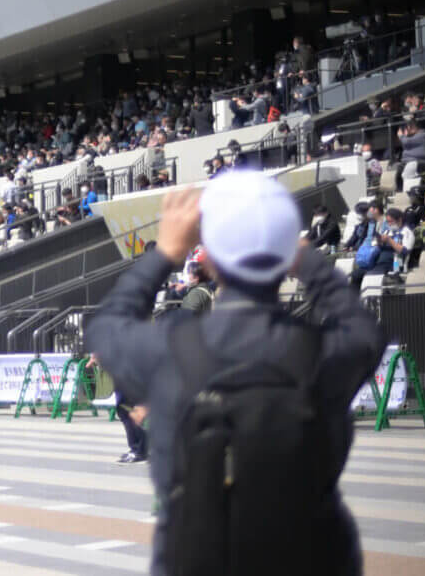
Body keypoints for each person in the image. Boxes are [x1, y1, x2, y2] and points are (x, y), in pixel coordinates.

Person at [87, 173, 382, 576]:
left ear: (209, 257)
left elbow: (107, 326)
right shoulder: (323, 352)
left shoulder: (171, 351)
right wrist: (308, 260)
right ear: (284, 255)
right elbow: (363, 329)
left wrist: (166, 252)